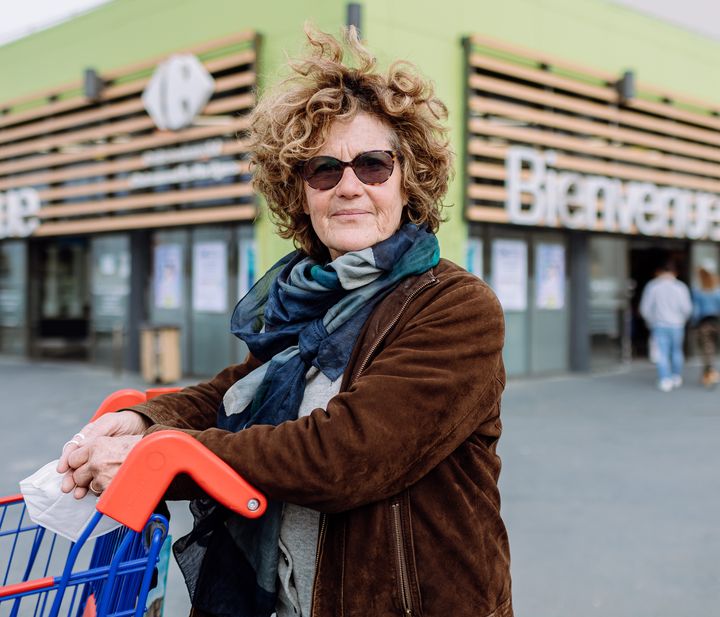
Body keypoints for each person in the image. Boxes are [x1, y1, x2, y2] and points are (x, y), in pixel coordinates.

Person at [57, 27, 512, 617]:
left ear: (409, 179)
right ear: (301, 194)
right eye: (323, 170)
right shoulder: (307, 297)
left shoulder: (455, 306)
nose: (349, 186)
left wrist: (170, 459)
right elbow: (232, 393)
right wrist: (141, 420)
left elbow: (348, 454)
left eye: (373, 165)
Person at [639, 261, 692, 392]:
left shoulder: (653, 286)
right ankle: (676, 376)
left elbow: (645, 308)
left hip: (659, 324)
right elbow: (687, 308)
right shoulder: (680, 287)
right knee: (676, 351)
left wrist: (651, 321)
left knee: (662, 353)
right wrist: (682, 320)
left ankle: (665, 379)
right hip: (677, 325)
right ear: (675, 273)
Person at [691, 263, 720, 387]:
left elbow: (696, 310)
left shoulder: (698, 290)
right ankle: (710, 373)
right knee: (713, 349)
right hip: (716, 321)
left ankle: (709, 373)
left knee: (707, 350)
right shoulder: (717, 289)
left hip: (704, 323)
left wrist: (693, 323)